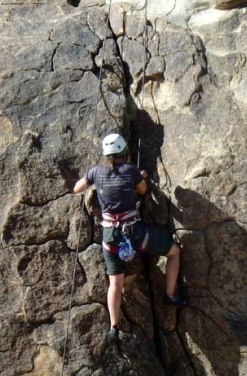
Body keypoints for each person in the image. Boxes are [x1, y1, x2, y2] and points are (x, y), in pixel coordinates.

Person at [73, 133, 186, 342]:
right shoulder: (131, 171)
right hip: (135, 234)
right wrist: (140, 178)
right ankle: (170, 295)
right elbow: (143, 191)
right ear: (124, 152)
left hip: (110, 238)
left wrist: (98, 184)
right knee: (174, 252)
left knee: (116, 283)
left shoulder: (96, 172)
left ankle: (114, 326)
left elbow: (77, 188)